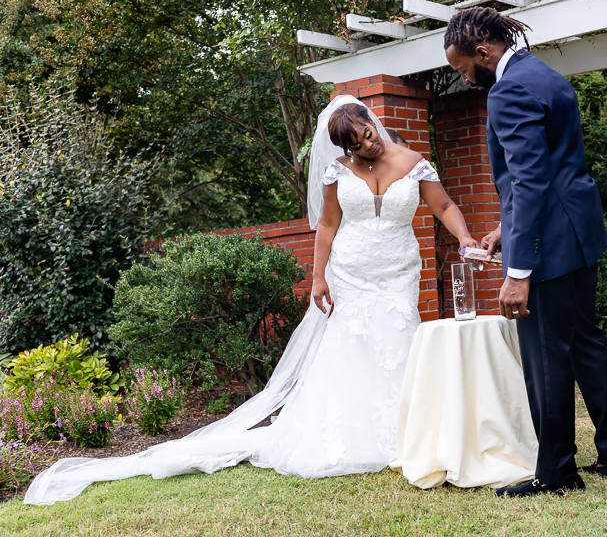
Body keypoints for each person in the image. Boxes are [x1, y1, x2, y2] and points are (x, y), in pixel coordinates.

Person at [24, 95, 478, 505]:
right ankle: (354, 435)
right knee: (352, 345)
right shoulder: (338, 171)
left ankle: (411, 433)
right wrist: (318, 277)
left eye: (369, 134)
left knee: (399, 336)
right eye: (358, 145)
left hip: (398, 269)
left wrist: (463, 238)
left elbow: (443, 208)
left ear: (373, 122)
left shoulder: (414, 162)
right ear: (344, 149)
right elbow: (326, 227)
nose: (369, 146)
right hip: (352, 270)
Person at [443, 7, 607, 498]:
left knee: (546, 360)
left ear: (483, 52)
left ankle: (556, 473)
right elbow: (550, 173)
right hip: (576, 234)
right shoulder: (544, 74)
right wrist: (503, 229)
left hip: (548, 250)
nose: (465, 78)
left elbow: (529, 180)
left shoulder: (507, 91)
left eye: (463, 68)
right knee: (589, 347)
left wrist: (518, 269)